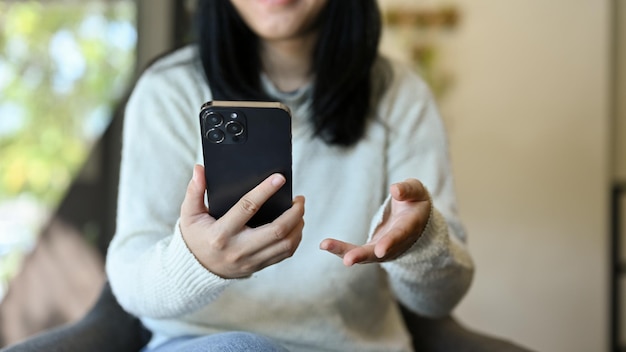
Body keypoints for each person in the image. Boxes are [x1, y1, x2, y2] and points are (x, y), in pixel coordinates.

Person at [105, 0, 474, 351]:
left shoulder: (401, 96)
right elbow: (129, 279)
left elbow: (441, 300)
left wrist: (419, 244)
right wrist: (196, 262)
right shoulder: (168, 89)